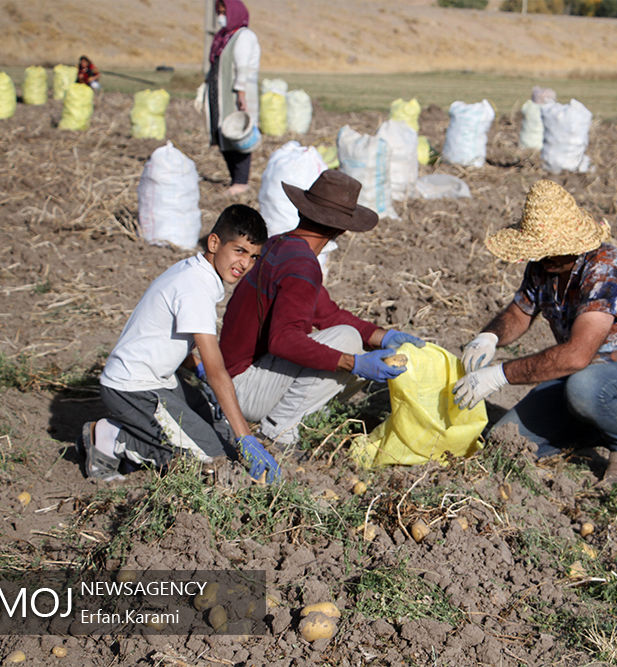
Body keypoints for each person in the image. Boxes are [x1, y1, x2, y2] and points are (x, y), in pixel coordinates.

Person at [452, 180, 617, 487]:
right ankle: (593, 425)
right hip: (582, 375)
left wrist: (499, 375)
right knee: (504, 444)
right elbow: (519, 312)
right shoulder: (544, 267)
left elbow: (575, 356)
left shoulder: (605, 268)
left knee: (585, 388)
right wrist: (489, 337)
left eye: (547, 252)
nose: (540, 259)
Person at [219, 170, 426, 446]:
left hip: (231, 378)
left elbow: (327, 314)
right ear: (341, 229)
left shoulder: (281, 245)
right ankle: (278, 430)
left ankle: (302, 415)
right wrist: (353, 362)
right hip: (240, 388)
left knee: (357, 344)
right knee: (348, 342)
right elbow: (283, 340)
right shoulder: (302, 264)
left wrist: (383, 336)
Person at [79, 204, 280, 483]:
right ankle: (112, 439)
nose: (245, 264)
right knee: (211, 462)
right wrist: (245, 436)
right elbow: (216, 369)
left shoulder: (196, 273)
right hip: (132, 388)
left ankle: (141, 436)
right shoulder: (195, 287)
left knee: (216, 424)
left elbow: (171, 337)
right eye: (239, 251)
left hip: (156, 379)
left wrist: (196, 372)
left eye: (254, 256)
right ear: (214, 242)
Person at [205, 0, 260, 196]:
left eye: (223, 12)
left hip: (236, 94)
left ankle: (241, 181)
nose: (221, 16)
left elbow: (242, 67)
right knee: (223, 134)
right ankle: (234, 178)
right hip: (221, 93)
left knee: (237, 134)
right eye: (218, 12)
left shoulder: (243, 36)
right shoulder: (224, 37)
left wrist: (241, 93)